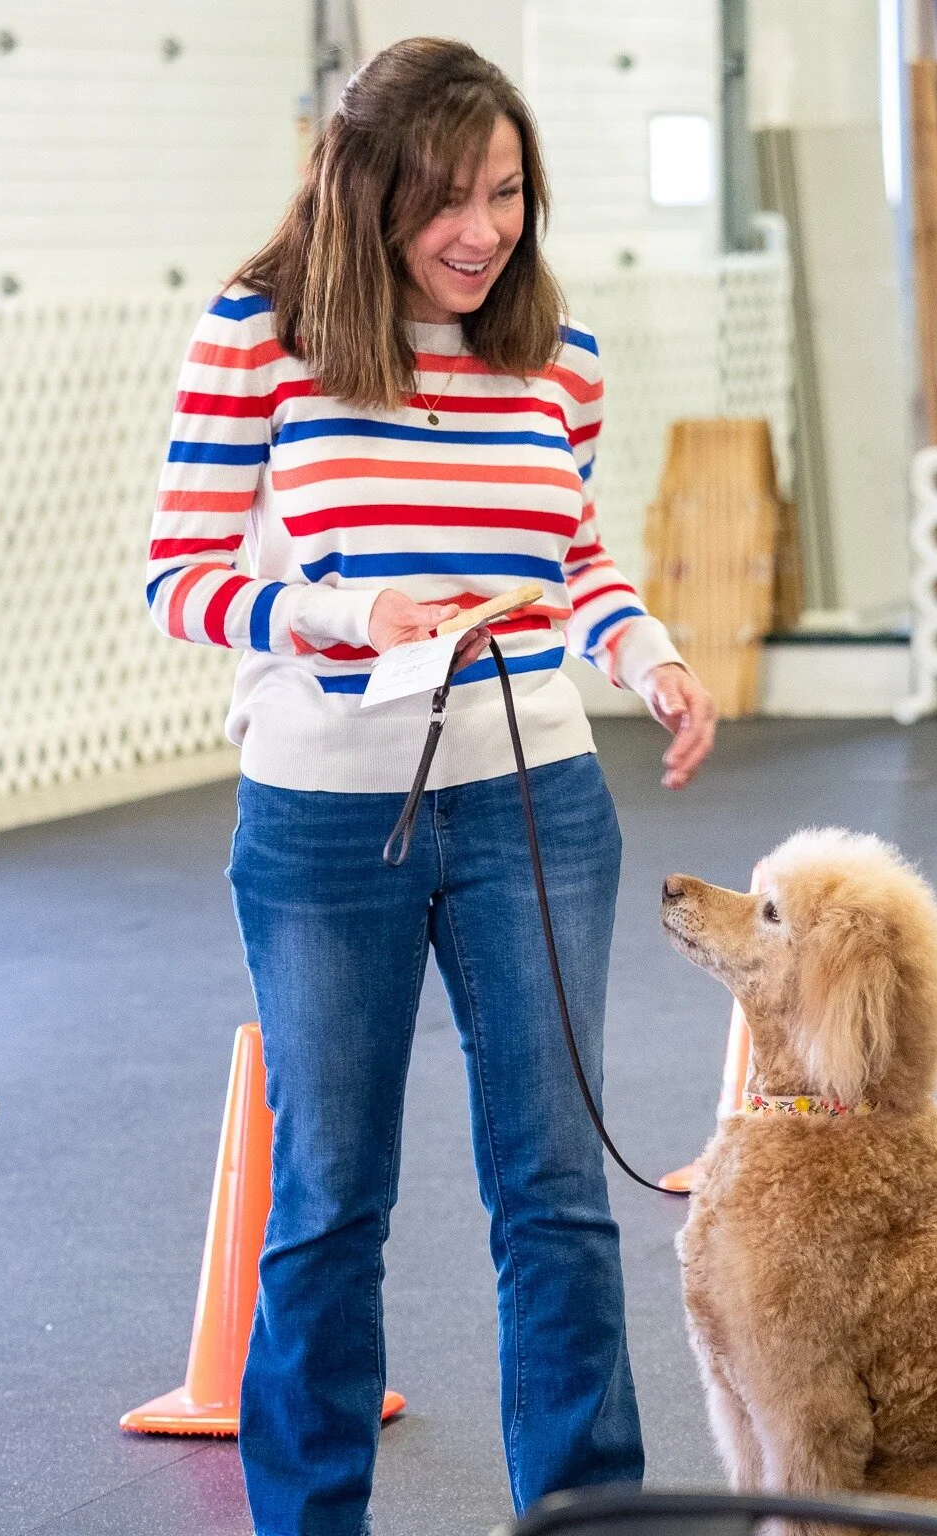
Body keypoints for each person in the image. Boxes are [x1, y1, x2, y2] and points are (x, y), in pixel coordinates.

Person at [145, 36, 717, 1535]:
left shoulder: (558, 356)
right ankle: (311, 1516)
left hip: (536, 798)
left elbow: (571, 557)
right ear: (368, 195)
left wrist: (648, 657)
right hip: (325, 813)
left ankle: (586, 1514)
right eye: (447, 200)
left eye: (509, 193)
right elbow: (181, 579)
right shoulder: (258, 336)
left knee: (556, 1196)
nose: (483, 231)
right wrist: (343, 613)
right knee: (332, 1202)